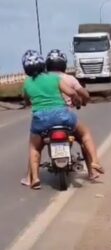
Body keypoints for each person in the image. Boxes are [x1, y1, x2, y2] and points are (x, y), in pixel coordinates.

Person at [21, 50, 81, 190]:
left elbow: (26, 100)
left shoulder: (27, 83)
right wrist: (77, 101)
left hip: (41, 120)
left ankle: (34, 178)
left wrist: (30, 102)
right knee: (81, 131)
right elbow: (72, 93)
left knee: (34, 146)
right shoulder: (54, 78)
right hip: (62, 116)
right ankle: (92, 165)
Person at [45, 49, 104, 180]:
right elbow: (85, 95)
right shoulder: (70, 79)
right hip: (66, 119)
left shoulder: (44, 80)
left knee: (35, 146)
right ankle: (92, 170)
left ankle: (32, 175)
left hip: (47, 120)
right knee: (84, 136)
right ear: (63, 64)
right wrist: (84, 101)